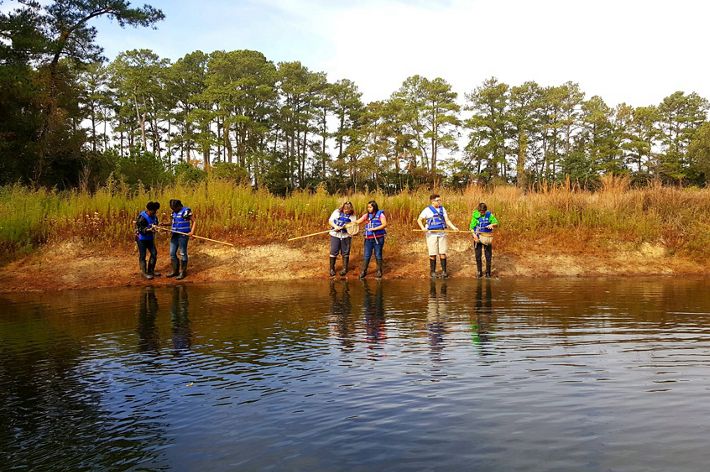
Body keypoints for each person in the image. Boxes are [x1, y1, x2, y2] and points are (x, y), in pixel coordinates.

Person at [417, 194, 459, 278]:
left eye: (440, 200)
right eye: (438, 200)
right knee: (432, 253)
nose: (439, 202)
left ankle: (444, 272)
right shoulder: (427, 210)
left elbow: (447, 220)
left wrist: (454, 227)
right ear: (433, 201)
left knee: (442, 253)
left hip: (442, 233)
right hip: (431, 234)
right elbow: (419, 219)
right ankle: (433, 272)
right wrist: (422, 228)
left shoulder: (442, 209)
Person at [355, 200, 387, 279]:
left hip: (378, 238)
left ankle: (379, 270)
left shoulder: (381, 215)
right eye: (368, 207)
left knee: (378, 254)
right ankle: (364, 271)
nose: (368, 208)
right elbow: (358, 221)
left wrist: (374, 229)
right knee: (367, 255)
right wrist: (347, 225)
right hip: (368, 239)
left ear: (374, 207)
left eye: (370, 207)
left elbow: (384, 224)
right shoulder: (366, 215)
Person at [167, 199, 195, 280]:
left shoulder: (186, 211)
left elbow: (194, 221)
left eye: (174, 208)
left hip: (183, 235)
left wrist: (192, 232)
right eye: (172, 208)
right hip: (174, 234)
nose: (173, 209)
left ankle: (183, 272)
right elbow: (172, 222)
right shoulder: (173, 212)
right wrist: (164, 224)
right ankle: (175, 271)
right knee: (172, 253)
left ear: (179, 206)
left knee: (182, 253)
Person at [469, 202, 498, 278]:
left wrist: (492, 225)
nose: (482, 213)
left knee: (488, 255)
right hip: (477, 237)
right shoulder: (475, 216)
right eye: (481, 212)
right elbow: (471, 228)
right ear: (478, 210)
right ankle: (479, 272)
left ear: (486, 210)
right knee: (478, 255)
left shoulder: (489, 215)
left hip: (487, 238)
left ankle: (488, 272)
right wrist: (474, 235)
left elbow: (496, 223)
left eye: (483, 212)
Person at [328, 201, 357, 277]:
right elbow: (330, 221)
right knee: (334, 250)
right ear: (342, 208)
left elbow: (353, 227)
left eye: (348, 209)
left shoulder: (353, 216)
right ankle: (331, 269)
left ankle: (344, 269)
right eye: (345, 209)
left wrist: (346, 228)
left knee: (345, 252)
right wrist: (335, 226)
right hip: (335, 234)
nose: (346, 211)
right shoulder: (336, 212)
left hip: (346, 236)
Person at [135, 201, 161, 280]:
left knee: (154, 253)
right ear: (149, 210)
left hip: (150, 239)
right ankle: (144, 272)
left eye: (155, 211)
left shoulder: (154, 216)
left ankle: (151, 270)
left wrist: (156, 228)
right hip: (141, 239)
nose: (154, 213)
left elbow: (156, 224)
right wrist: (149, 229)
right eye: (153, 211)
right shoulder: (142, 217)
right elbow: (140, 229)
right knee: (143, 255)